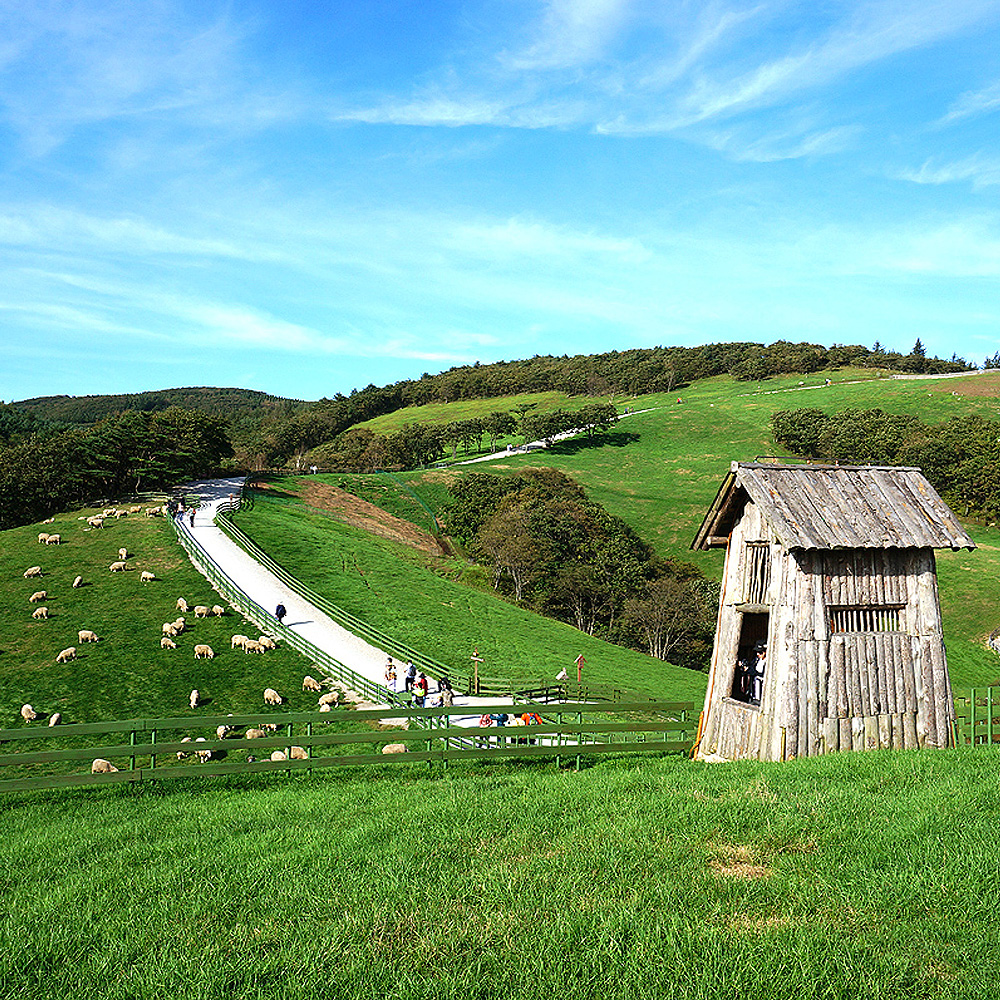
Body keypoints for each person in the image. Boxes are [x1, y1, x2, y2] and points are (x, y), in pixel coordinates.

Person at [750, 641, 767, 705]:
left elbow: (762, 674)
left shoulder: (767, 662)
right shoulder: (757, 660)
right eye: (757, 652)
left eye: (760, 652)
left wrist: (754, 673)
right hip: (754, 691)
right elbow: (751, 668)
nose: (758, 654)